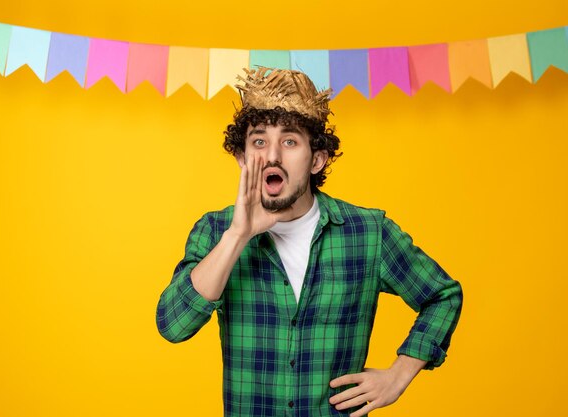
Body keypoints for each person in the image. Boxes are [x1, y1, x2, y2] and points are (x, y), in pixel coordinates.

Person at [156, 67, 463, 417]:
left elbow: (442, 295)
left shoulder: (367, 233)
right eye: (259, 141)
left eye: (289, 141)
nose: (272, 156)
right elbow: (173, 325)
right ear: (242, 159)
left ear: (317, 159)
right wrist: (238, 236)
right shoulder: (216, 232)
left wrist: (399, 374)